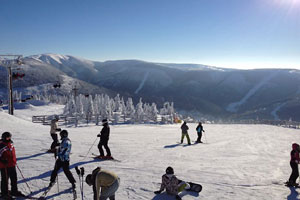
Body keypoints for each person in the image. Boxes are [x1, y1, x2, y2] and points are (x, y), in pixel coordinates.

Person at [0, 132, 25, 199]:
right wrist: (2, 160)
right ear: (4, 137)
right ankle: (4, 194)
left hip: (12, 164)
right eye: (7, 137)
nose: (9, 138)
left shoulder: (11, 143)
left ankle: (14, 191)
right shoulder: (1, 145)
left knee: (14, 179)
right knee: (5, 180)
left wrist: (14, 160)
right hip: (4, 166)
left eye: (10, 137)